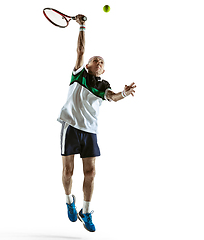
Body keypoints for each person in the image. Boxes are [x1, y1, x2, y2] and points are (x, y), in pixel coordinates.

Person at [57, 14, 137, 232]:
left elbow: (112, 97)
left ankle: (86, 210)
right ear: (89, 65)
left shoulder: (103, 86)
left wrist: (124, 93)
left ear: (103, 70)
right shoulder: (78, 75)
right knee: (68, 172)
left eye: (102, 62)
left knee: (91, 173)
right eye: (95, 60)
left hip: (90, 131)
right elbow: (80, 51)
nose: (98, 62)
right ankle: (68, 202)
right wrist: (82, 26)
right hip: (70, 126)